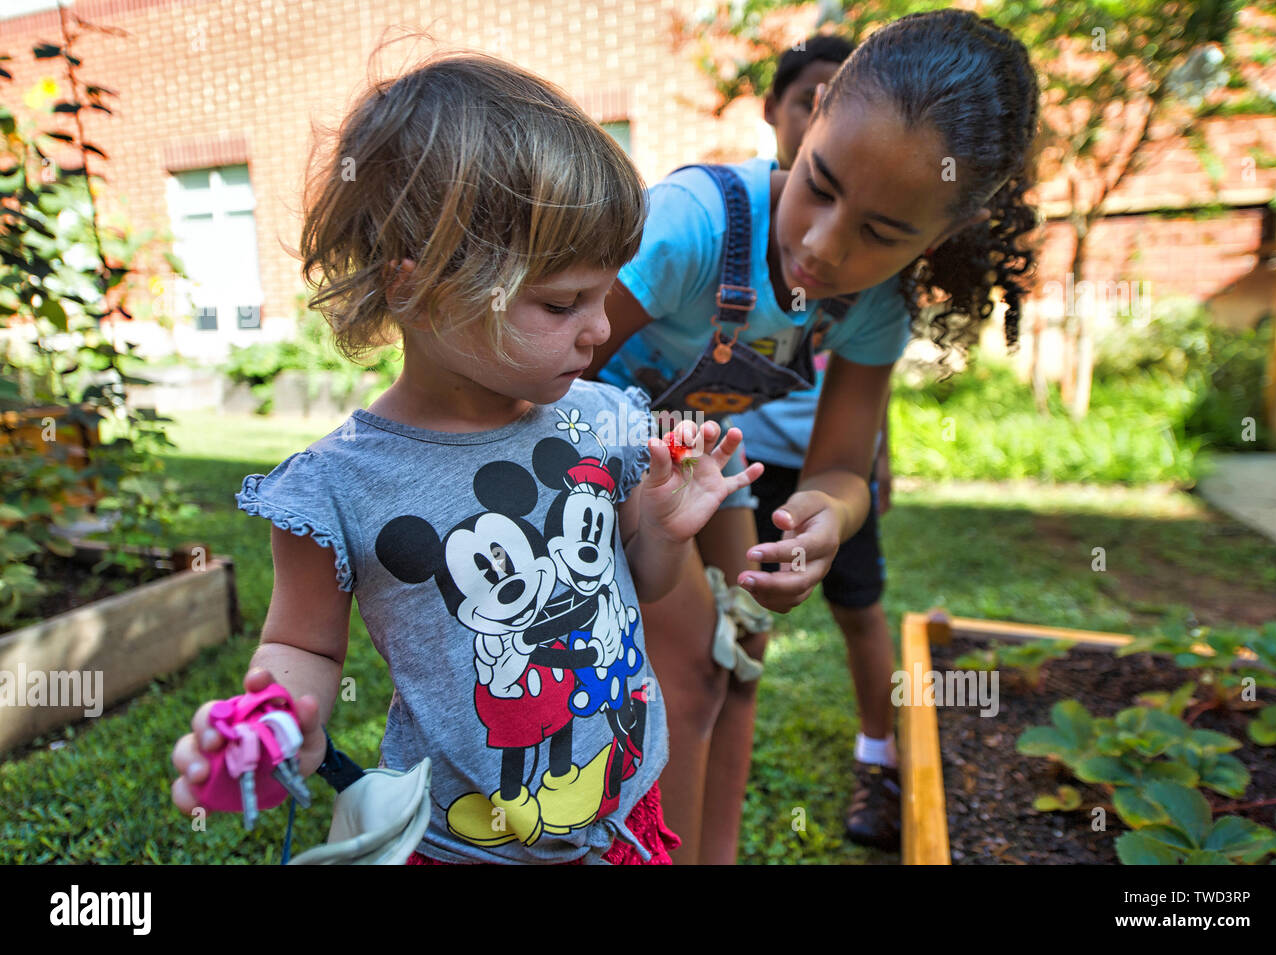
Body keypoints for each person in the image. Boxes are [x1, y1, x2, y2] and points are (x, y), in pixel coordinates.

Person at [169, 51, 763, 865]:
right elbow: (304, 648)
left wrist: (661, 532)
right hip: (461, 846)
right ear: (420, 289)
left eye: (605, 290)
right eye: (562, 302)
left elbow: (645, 586)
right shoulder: (339, 486)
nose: (601, 328)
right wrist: (282, 715)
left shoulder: (601, 422)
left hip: (623, 813)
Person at [586, 10, 1040, 863]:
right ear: (818, 109)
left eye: (881, 233)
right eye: (821, 186)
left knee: (737, 658)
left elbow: (839, 464)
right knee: (686, 668)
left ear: (936, 238)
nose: (822, 248)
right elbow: (551, 370)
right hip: (579, 454)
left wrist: (826, 516)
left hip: (693, 461)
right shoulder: (691, 224)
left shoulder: (875, 307)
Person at [730, 35, 901, 850]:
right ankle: (728, 739)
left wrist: (874, 465)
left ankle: (882, 753)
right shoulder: (734, 226)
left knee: (860, 609)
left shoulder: (871, 274)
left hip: (830, 465)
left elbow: (869, 386)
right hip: (751, 455)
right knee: (747, 608)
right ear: (781, 112)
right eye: (807, 100)